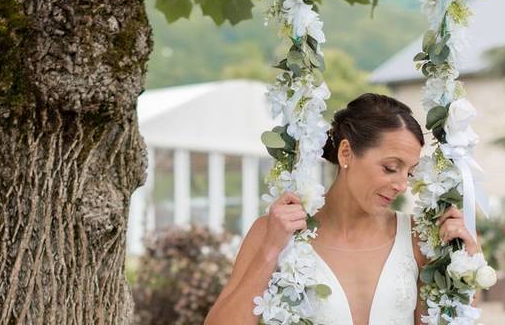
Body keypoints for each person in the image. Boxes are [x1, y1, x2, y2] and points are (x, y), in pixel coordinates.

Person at [205, 93, 482, 325]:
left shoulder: (417, 237)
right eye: (390, 168)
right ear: (346, 153)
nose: (401, 185)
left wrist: (465, 267)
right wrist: (270, 251)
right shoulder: (274, 231)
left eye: (409, 173)